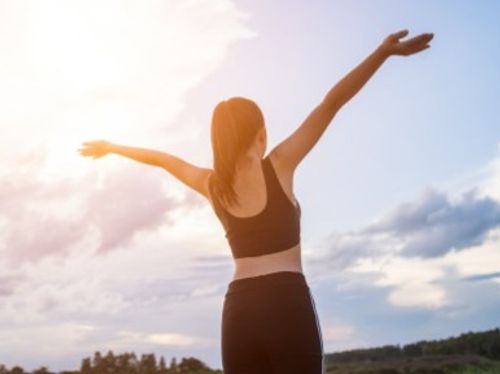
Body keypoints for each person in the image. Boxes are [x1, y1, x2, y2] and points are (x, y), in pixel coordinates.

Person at [78, 29, 434, 374]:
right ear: (261, 133)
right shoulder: (280, 165)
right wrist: (382, 53)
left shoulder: (211, 185)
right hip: (287, 304)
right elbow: (332, 103)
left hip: (239, 311)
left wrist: (112, 148)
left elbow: (163, 159)